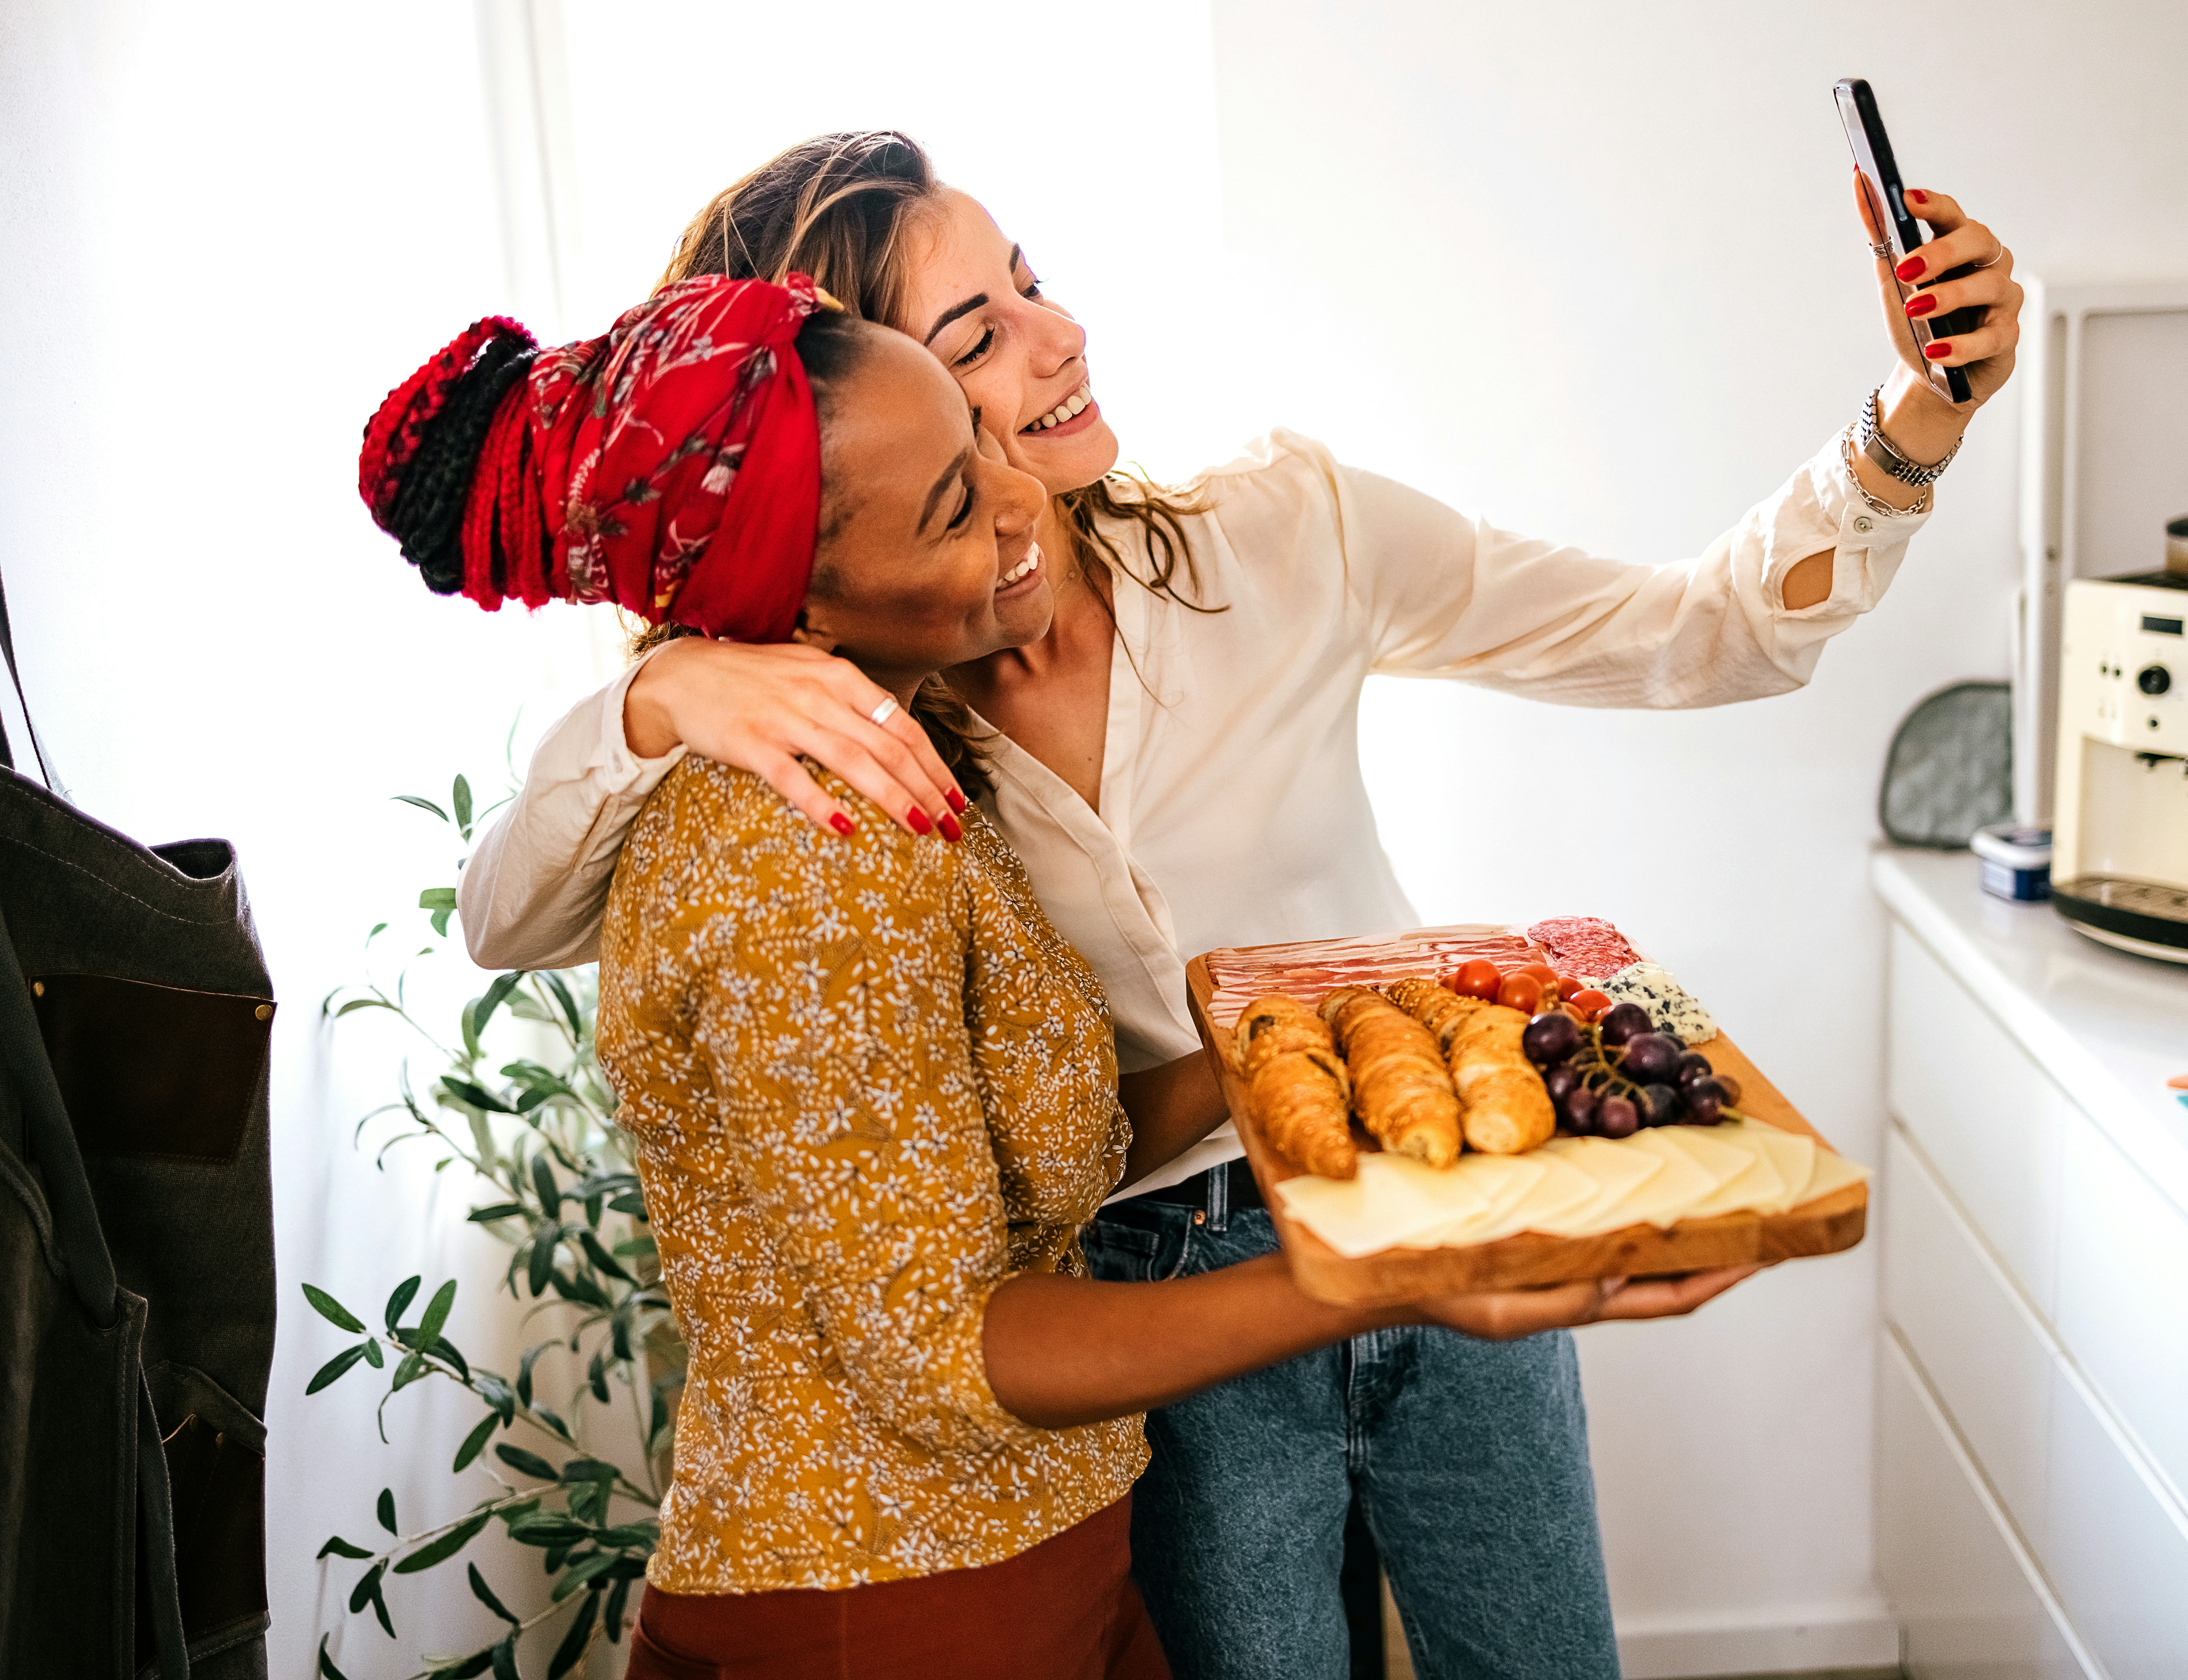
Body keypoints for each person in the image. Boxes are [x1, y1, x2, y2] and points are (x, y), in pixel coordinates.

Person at [457, 132, 2022, 1678]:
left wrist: (1915, 420)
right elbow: (506, 919)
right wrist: (668, 690)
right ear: (839, 424)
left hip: (1430, 1189)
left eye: (1033, 283)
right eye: (976, 333)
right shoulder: (836, 735)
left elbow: (1703, 632)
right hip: (1144, 1315)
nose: (1061, 337)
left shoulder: (1285, 531)